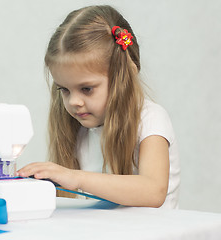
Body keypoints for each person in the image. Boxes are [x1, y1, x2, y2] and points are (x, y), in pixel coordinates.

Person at [17, 5, 180, 209]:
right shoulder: (80, 130)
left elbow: (153, 191)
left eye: (86, 89)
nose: (73, 101)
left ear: (123, 79)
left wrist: (75, 178)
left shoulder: (150, 119)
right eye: (64, 90)